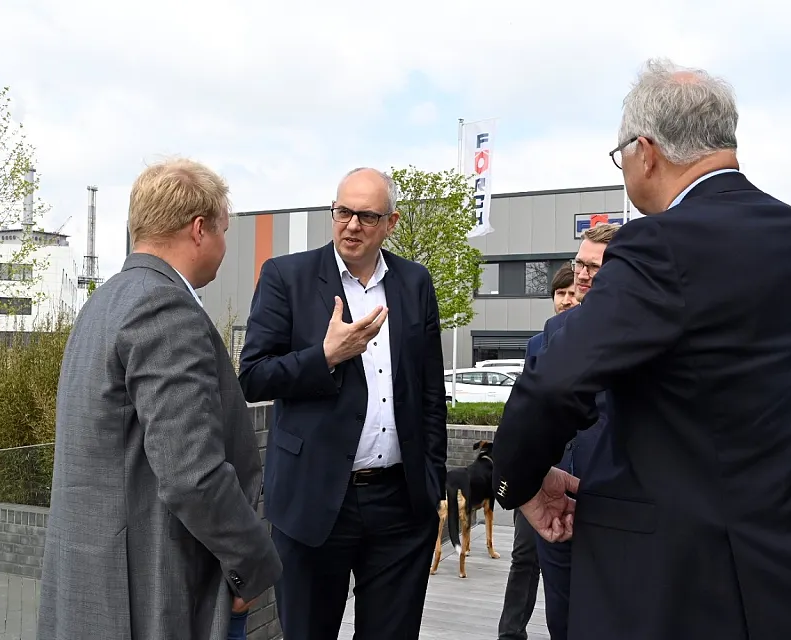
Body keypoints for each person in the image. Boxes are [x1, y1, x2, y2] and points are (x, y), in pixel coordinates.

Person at [491, 57, 791, 640]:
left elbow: (557, 380)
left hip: (685, 586)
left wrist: (521, 480)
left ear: (646, 151)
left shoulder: (659, 245)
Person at [38, 158, 282, 640]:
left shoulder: (103, 302)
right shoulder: (164, 306)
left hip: (93, 590)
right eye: (223, 231)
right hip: (157, 594)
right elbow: (193, 474)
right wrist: (253, 564)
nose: (224, 245)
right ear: (199, 229)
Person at [238, 167, 448, 640]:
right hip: (314, 502)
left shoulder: (414, 282)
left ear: (391, 223)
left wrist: (431, 483)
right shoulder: (286, 277)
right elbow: (252, 376)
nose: (352, 225)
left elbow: (431, 392)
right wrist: (325, 356)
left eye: (367, 216)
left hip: (399, 505)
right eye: (343, 212)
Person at [532, 223, 619, 640]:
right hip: (556, 504)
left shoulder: (646, 333)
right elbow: (531, 414)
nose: (582, 275)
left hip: (617, 507)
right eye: (579, 264)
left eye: (593, 267)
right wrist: (524, 480)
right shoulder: (550, 335)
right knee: (561, 618)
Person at [496, 259, 582, 640]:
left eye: (572, 292)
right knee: (524, 556)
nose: (566, 300)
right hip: (540, 473)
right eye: (559, 293)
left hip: (582, 476)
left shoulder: (601, 343)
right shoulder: (538, 344)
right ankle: (510, 632)